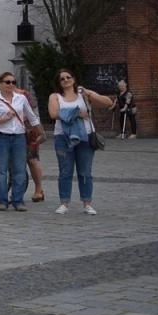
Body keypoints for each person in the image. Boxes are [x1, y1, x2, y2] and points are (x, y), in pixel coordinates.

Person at [49, 69, 115, 215]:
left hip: (85, 136)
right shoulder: (55, 96)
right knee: (65, 171)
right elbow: (54, 113)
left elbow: (108, 102)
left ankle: (87, 203)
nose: (66, 80)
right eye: (62, 79)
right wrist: (78, 113)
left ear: (74, 78)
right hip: (63, 137)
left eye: (68, 77)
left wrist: (89, 94)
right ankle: (64, 203)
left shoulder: (83, 95)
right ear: (59, 83)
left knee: (85, 171)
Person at [0, 71, 37, 211]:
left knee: (19, 170)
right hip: (1, 137)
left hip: (19, 137)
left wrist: (39, 131)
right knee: (1, 170)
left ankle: (18, 200)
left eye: (13, 82)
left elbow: (31, 117)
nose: (11, 84)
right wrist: (4, 119)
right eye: (8, 82)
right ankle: (2, 201)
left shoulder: (21, 99)